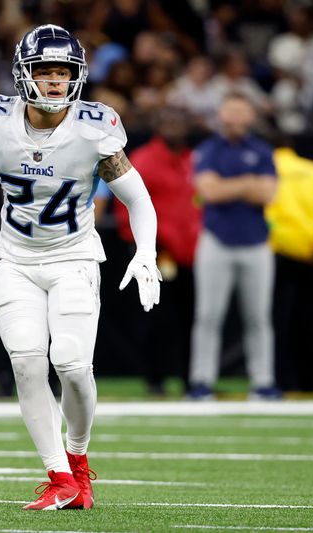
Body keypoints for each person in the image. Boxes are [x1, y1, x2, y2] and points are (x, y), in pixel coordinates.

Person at [0, 24, 160, 510]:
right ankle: (60, 477)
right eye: (44, 72)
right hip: (16, 260)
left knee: (70, 363)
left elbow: (138, 198)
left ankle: (79, 457)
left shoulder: (95, 127)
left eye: (63, 72)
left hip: (73, 257)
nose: (54, 82)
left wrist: (145, 252)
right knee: (27, 362)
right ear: (23, 75)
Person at [188, 92, 280, 401]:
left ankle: (263, 382)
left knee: (259, 317)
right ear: (221, 115)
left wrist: (230, 186)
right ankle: (201, 381)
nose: (236, 118)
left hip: (256, 242)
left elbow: (268, 195)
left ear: (251, 116)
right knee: (208, 316)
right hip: (216, 240)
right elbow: (209, 192)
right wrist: (248, 183)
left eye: (242, 111)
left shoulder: (262, 150)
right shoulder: (209, 149)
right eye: (231, 111)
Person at [112, 106, 201, 395]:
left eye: (179, 119)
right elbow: (126, 207)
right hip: (157, 252)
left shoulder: (194, 160)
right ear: (157, 125)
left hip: (193, 253)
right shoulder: (143, 160)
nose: (174, 126)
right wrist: (147, 246)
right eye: (168, 119)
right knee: (156, 318)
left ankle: (191, 379)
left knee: (192, 319)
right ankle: (155, 378)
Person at [266, 137, 313, 392]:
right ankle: (311, 380)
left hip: (281, 255)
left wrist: (284, 242)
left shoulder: (270, 170)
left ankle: (282, 379)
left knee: (279, 322)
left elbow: (268, 214)